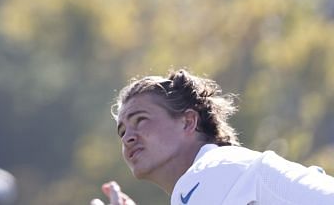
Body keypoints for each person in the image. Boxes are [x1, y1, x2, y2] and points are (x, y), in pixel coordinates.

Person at [92, 69, 334, 205]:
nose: (127, 138)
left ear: (188, 121)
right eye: (122, 131)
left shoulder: (210, 171)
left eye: (140, 120)